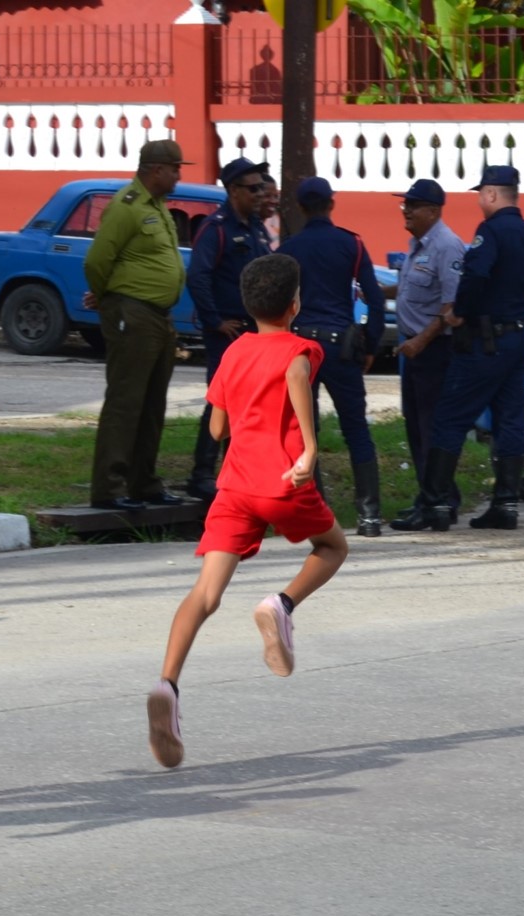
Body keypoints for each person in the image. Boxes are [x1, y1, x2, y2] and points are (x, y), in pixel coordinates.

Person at [146, 254, 350, 768]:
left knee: (205, 593)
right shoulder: (301, 347)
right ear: (295, 303)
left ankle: (167, 683)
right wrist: (307, 448)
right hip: (282, 481)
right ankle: (281, 605)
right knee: (332, 547)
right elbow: (298, 374)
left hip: (234, 485)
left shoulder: (234, 351)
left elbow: (217, 430)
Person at [402, 165, 524, 532]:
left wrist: (461, 312)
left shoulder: (490, 232)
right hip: (519, 336)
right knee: (509, 418)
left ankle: (435, 505)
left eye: (480, 194)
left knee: (449, 417)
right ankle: (506, 504)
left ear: (490, 194)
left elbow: (476, 276)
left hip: (486, 340)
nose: (479, 202)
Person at [81, 140, 191, 511]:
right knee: (125, 402)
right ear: (156, 169)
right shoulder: (126, 207)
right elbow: (97, 260)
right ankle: (109, 489)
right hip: (133, 314)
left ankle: (144, 483)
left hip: (158, 316)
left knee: (152, 403)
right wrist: (108, 295)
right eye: (175, 168)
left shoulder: (157, 208)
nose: (179, 174)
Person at [277, 176, 387, 537]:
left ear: (302, 208)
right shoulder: (351, 244)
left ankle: (318, 515)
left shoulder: (291, 248)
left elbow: (278, 301)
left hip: (302, 348)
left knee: (307, 431)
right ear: (331, 204)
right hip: (341, 346)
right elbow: (373, 296)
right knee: (356, 428)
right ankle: (370, 516)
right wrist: (370, 344)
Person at [185, 157, 274, 500]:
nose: (259, 193)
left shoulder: (254, 227)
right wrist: (215, 321)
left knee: (247, 405)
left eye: (262, 187)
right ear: (234, 190)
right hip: (228, 333)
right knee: (221, 403)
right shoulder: (217, 228)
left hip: (252, 332)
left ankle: (235, 473)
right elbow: (198, 277)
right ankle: (202, 474)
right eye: (253, 188)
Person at [383, 180, 468, 529]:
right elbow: (407, 289)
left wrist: (421, 340)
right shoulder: (419, 245)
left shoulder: (448, 247)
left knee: (430, 428)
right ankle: (435, 498)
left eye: (414, 205)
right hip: (414, 349)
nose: (406, 210)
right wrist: (372, 290)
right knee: (416, 428)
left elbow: (452, 306)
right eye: (406, 204)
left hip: (434, 350)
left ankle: (436, 503)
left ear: (433, 211)